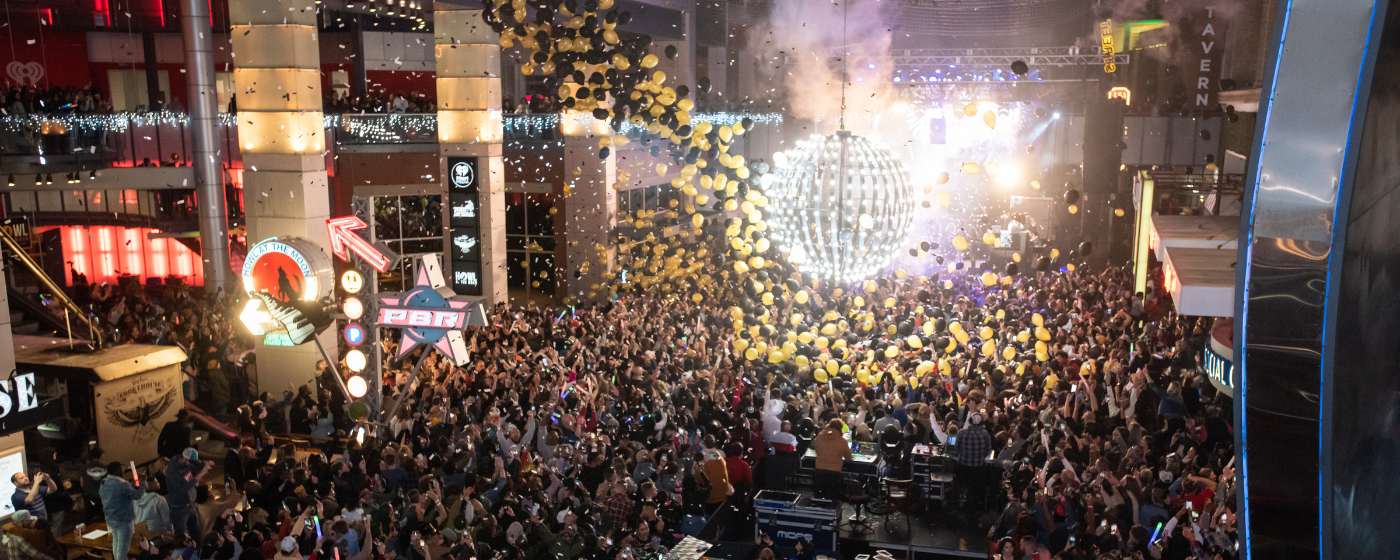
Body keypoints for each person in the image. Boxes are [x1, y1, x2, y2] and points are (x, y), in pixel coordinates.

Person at [100, 462, 146, 560]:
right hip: (123, 520)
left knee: (116, 545)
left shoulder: (104, 482)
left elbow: (123, 491)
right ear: (117, 470)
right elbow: (137, 495)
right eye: (122, 469)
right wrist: (144, 484)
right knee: (123, 549)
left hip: (110, 519)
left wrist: (132, 485)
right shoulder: (122, 484)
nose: (123, 471)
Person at [166, 448, 211, 541]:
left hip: (190, 504)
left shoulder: (184, 460)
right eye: (189, 463)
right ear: (184, 459)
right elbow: (184, 487)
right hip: (178, 509)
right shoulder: (173, 471)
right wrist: (201, 474)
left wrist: (205, 463)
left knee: (196, 534)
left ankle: (198, 552)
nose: (191, 465)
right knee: (183, 538)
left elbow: (196, 464)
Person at [810, 418, 851, 501]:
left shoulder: (819, 437)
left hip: (819, 472)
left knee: (818, 499)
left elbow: (816, 450)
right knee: (833, 500)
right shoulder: (842, 441)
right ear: (840, 428)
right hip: (834, 474)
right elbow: (848, 458)